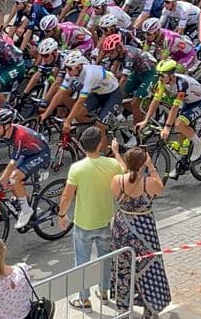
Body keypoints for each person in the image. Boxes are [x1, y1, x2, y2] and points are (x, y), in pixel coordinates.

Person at [57, 127, 124, 311]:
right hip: (105, 221)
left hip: (83, 224)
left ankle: (84, 299)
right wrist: (117, 152)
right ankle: (104, 291)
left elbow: (67, 196)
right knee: (105, 258)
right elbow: (125, 171)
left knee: (82, 262)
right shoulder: (111, 164)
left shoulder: (77, 168)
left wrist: (62, 215)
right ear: (101, 144)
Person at [110, 146, 170, 318]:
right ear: (143, 163)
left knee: (122, 266)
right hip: (144, 230)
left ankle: (123, 306)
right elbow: (160, 186)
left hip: (122, 227)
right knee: (148, 269)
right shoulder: (149, 183)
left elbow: (127, 175)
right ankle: (149, 308)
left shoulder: (116, 180)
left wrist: (116, 154)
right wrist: (151, 166)